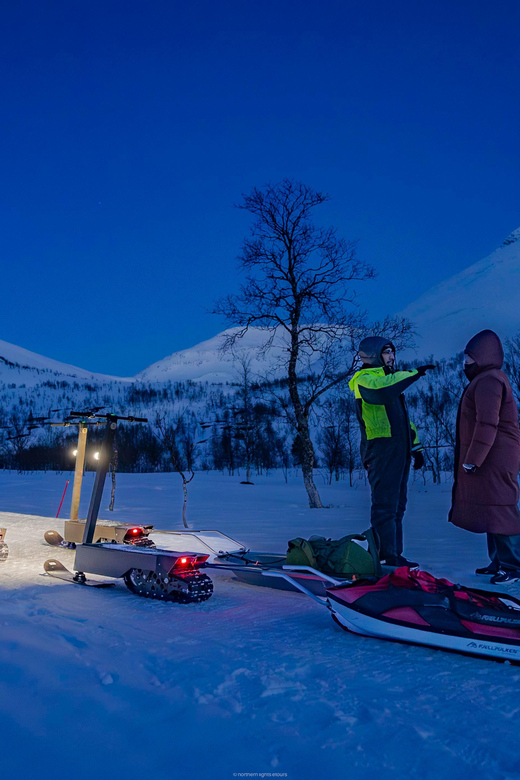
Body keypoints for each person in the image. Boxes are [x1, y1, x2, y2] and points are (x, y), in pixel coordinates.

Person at [349, 336, 434, 567]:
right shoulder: (364, 380)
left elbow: (403, 419)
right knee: (384, 506)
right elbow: (381, 391)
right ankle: (385, 557)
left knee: (398, 505)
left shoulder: (389, 379)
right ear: (373, 354)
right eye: (386, 352)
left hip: (400, 449)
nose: (392, 356)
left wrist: (415, 447)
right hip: (381, 450)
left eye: (392, 352)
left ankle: (394, 554)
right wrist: (413, 373)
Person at [448, 329, 520, 584]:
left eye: (468, 358)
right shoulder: (487, 378)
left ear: (482, 356)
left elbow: (487, 423)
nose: (464, 363)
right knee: (493, 510)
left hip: (495, 457)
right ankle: (499, 561)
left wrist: (473, 458)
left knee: (502, 510)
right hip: (493, 454)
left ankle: (513, 566)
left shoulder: (490, 380)